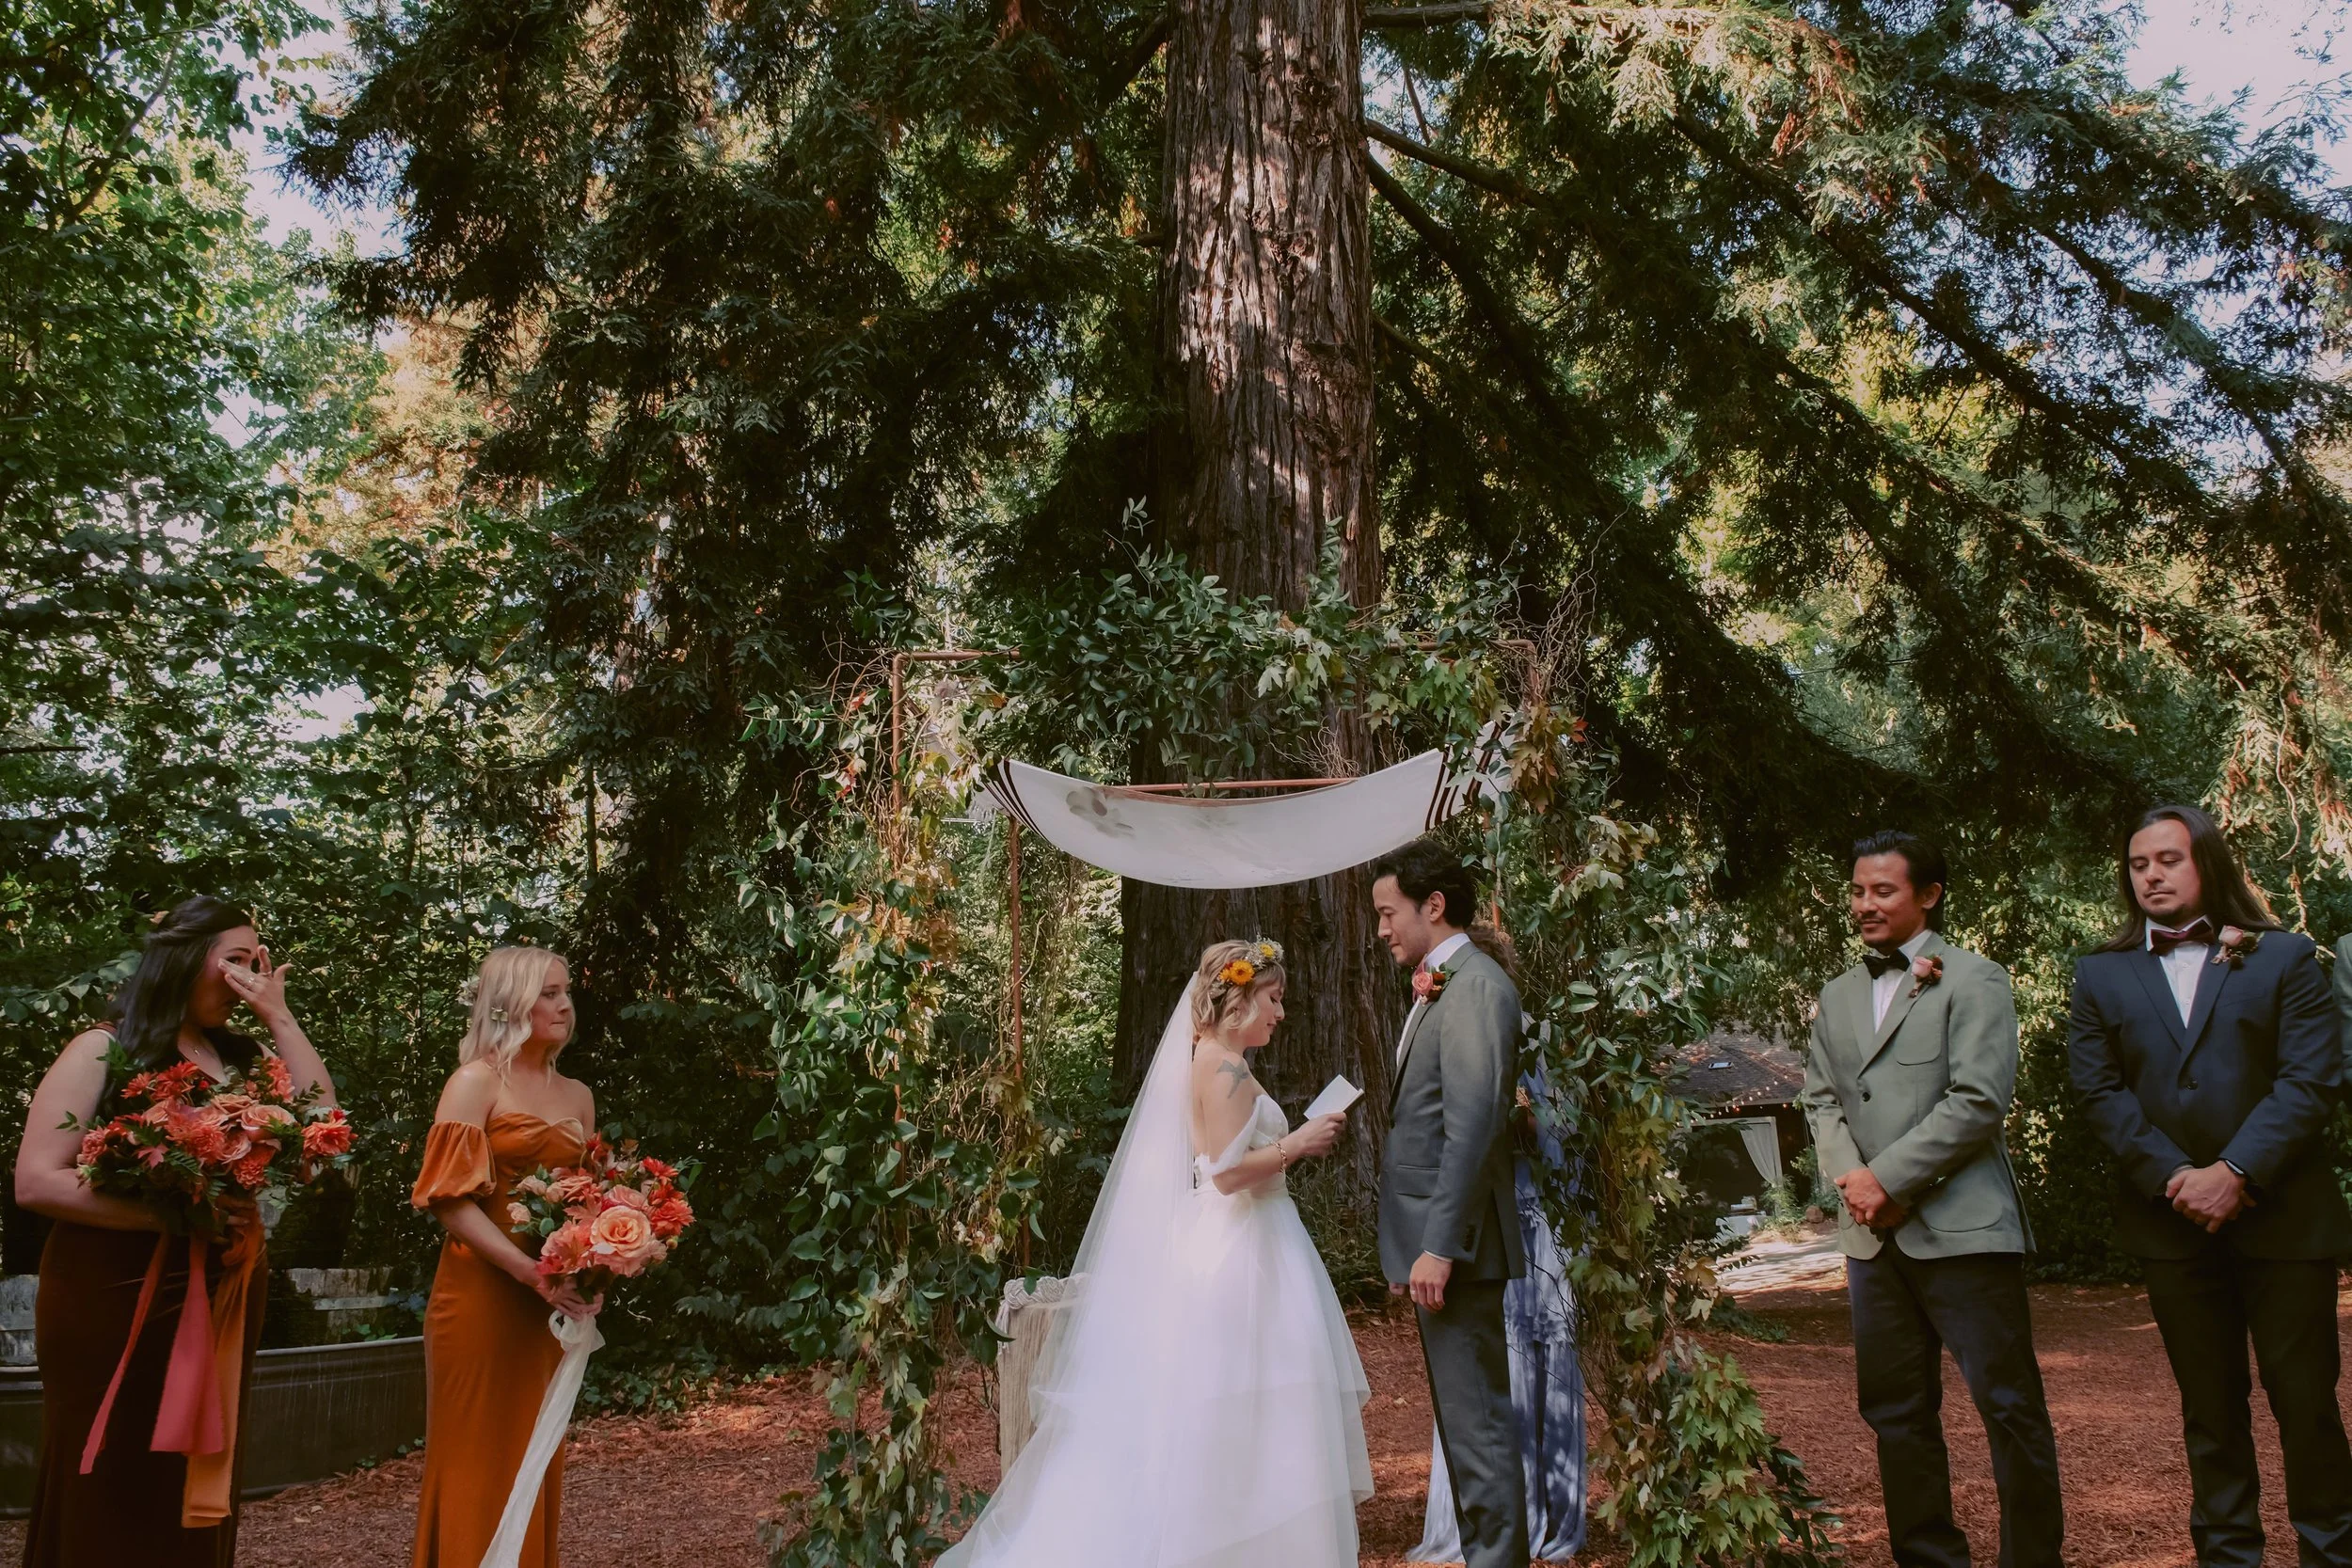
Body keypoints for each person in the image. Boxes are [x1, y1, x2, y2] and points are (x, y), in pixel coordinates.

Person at [940, 938, 1370, 1568]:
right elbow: (1224, 1173)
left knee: (1260, 1415)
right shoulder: (1221, 1066)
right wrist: (1297, 1143)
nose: (1280, 1013)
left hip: (1256, 1241)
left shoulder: (1219, 1060)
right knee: (1240, 1405)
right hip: (1243, 1251)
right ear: (1240, 998)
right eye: (1273, 999)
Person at [13, 895, 337, 1568]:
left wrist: (279, 1014)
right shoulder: (104, 1047)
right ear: (186, 958)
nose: (248, 976)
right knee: (113, 1469)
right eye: (236, 960)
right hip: (112, 1295)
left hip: (221, 1291)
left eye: (258, 962)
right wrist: (179, 1213)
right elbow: (37, 1179)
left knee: (197, 1468)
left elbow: (322, 1131)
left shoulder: (240, 1058)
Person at [2069, 805, 2352, 1567]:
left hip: (2286, 1221)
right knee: (2210, 1410)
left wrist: (2235, 1172)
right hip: (2171, 1226)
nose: (2151, 875)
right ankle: (2229, 1554)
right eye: (2138, 864)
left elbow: (2311, 1079)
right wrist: (2176, 1179)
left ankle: (2331, 1552)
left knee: (2307, 1406)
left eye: (2168, 859)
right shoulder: (2099, 973)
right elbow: (2099, 1094)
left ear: (2207, 865)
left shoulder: (2285, 958)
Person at [1803, 831, 2062, 1568]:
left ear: (1930, 895)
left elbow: (1979, 1101)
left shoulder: (1976, 979)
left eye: (1882, 890)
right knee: (1895, 1414)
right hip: (1871, 1242)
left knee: (2009, 1409)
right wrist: (1856, 1182)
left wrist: (1889, 1178)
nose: (1864, 904)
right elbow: (1820, 1100)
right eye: (1856, 890)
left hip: (1966, 1231)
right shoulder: (1835, 994)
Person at [410, 946, 601, 1568]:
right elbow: (447, 1200)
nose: (564, 1003)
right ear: (511, 1001)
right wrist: (527, 1271)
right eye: (548, 992)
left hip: (546, 1305)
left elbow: (586, 1202)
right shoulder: (475, 1081)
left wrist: (596, 1263)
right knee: (474, 1459)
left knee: (532, 1455)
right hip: (479, 1300)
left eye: (566, 990)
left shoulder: (578, 1095)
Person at [1372, 841, 1530, 1568]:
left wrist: (1438, 1244)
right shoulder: (1444, 983)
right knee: (1466, 1435)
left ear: (1433, 906)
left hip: (1458, 1249)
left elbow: (1472, 1128)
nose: (1381, 929)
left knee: (1481, 1433)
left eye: (1387, 912)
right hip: (1439, 1247)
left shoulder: (1476, 988)